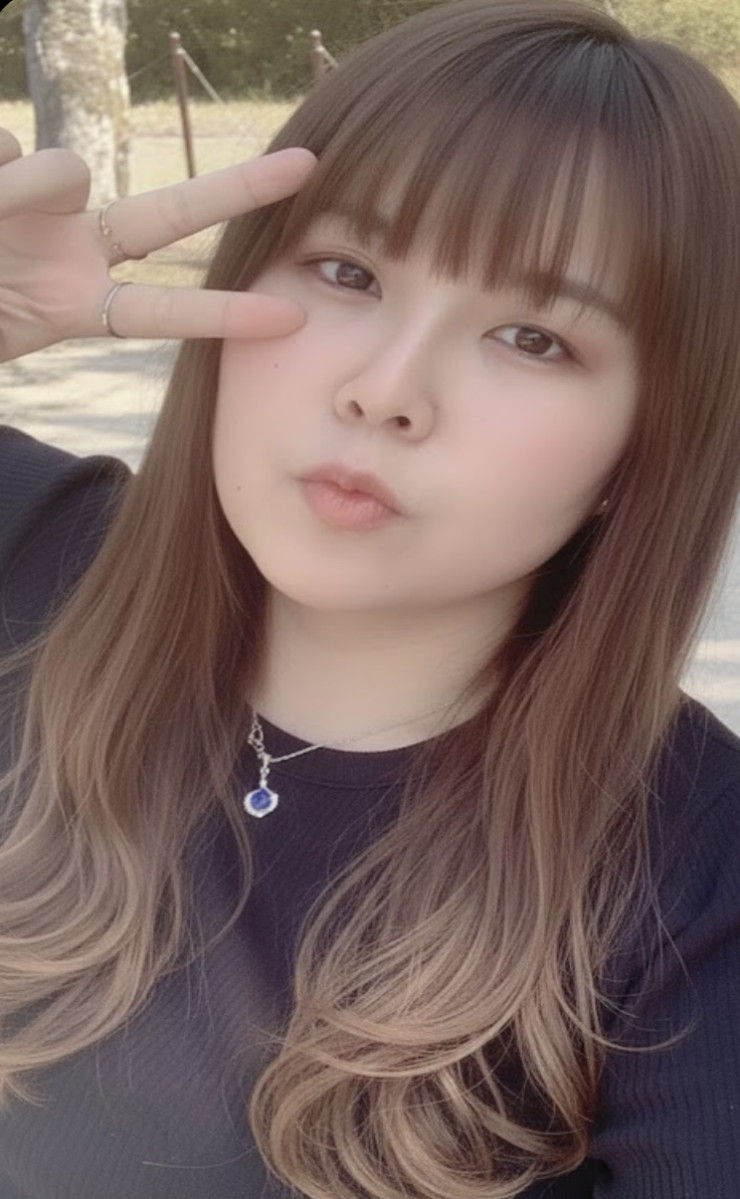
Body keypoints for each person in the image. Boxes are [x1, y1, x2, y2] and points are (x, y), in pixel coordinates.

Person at [1, 0, 739, 1195]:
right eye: (347, 271)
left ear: (641, 448)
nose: (385, 388)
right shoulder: (33, 556)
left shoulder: (697, 874)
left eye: (532, 337)